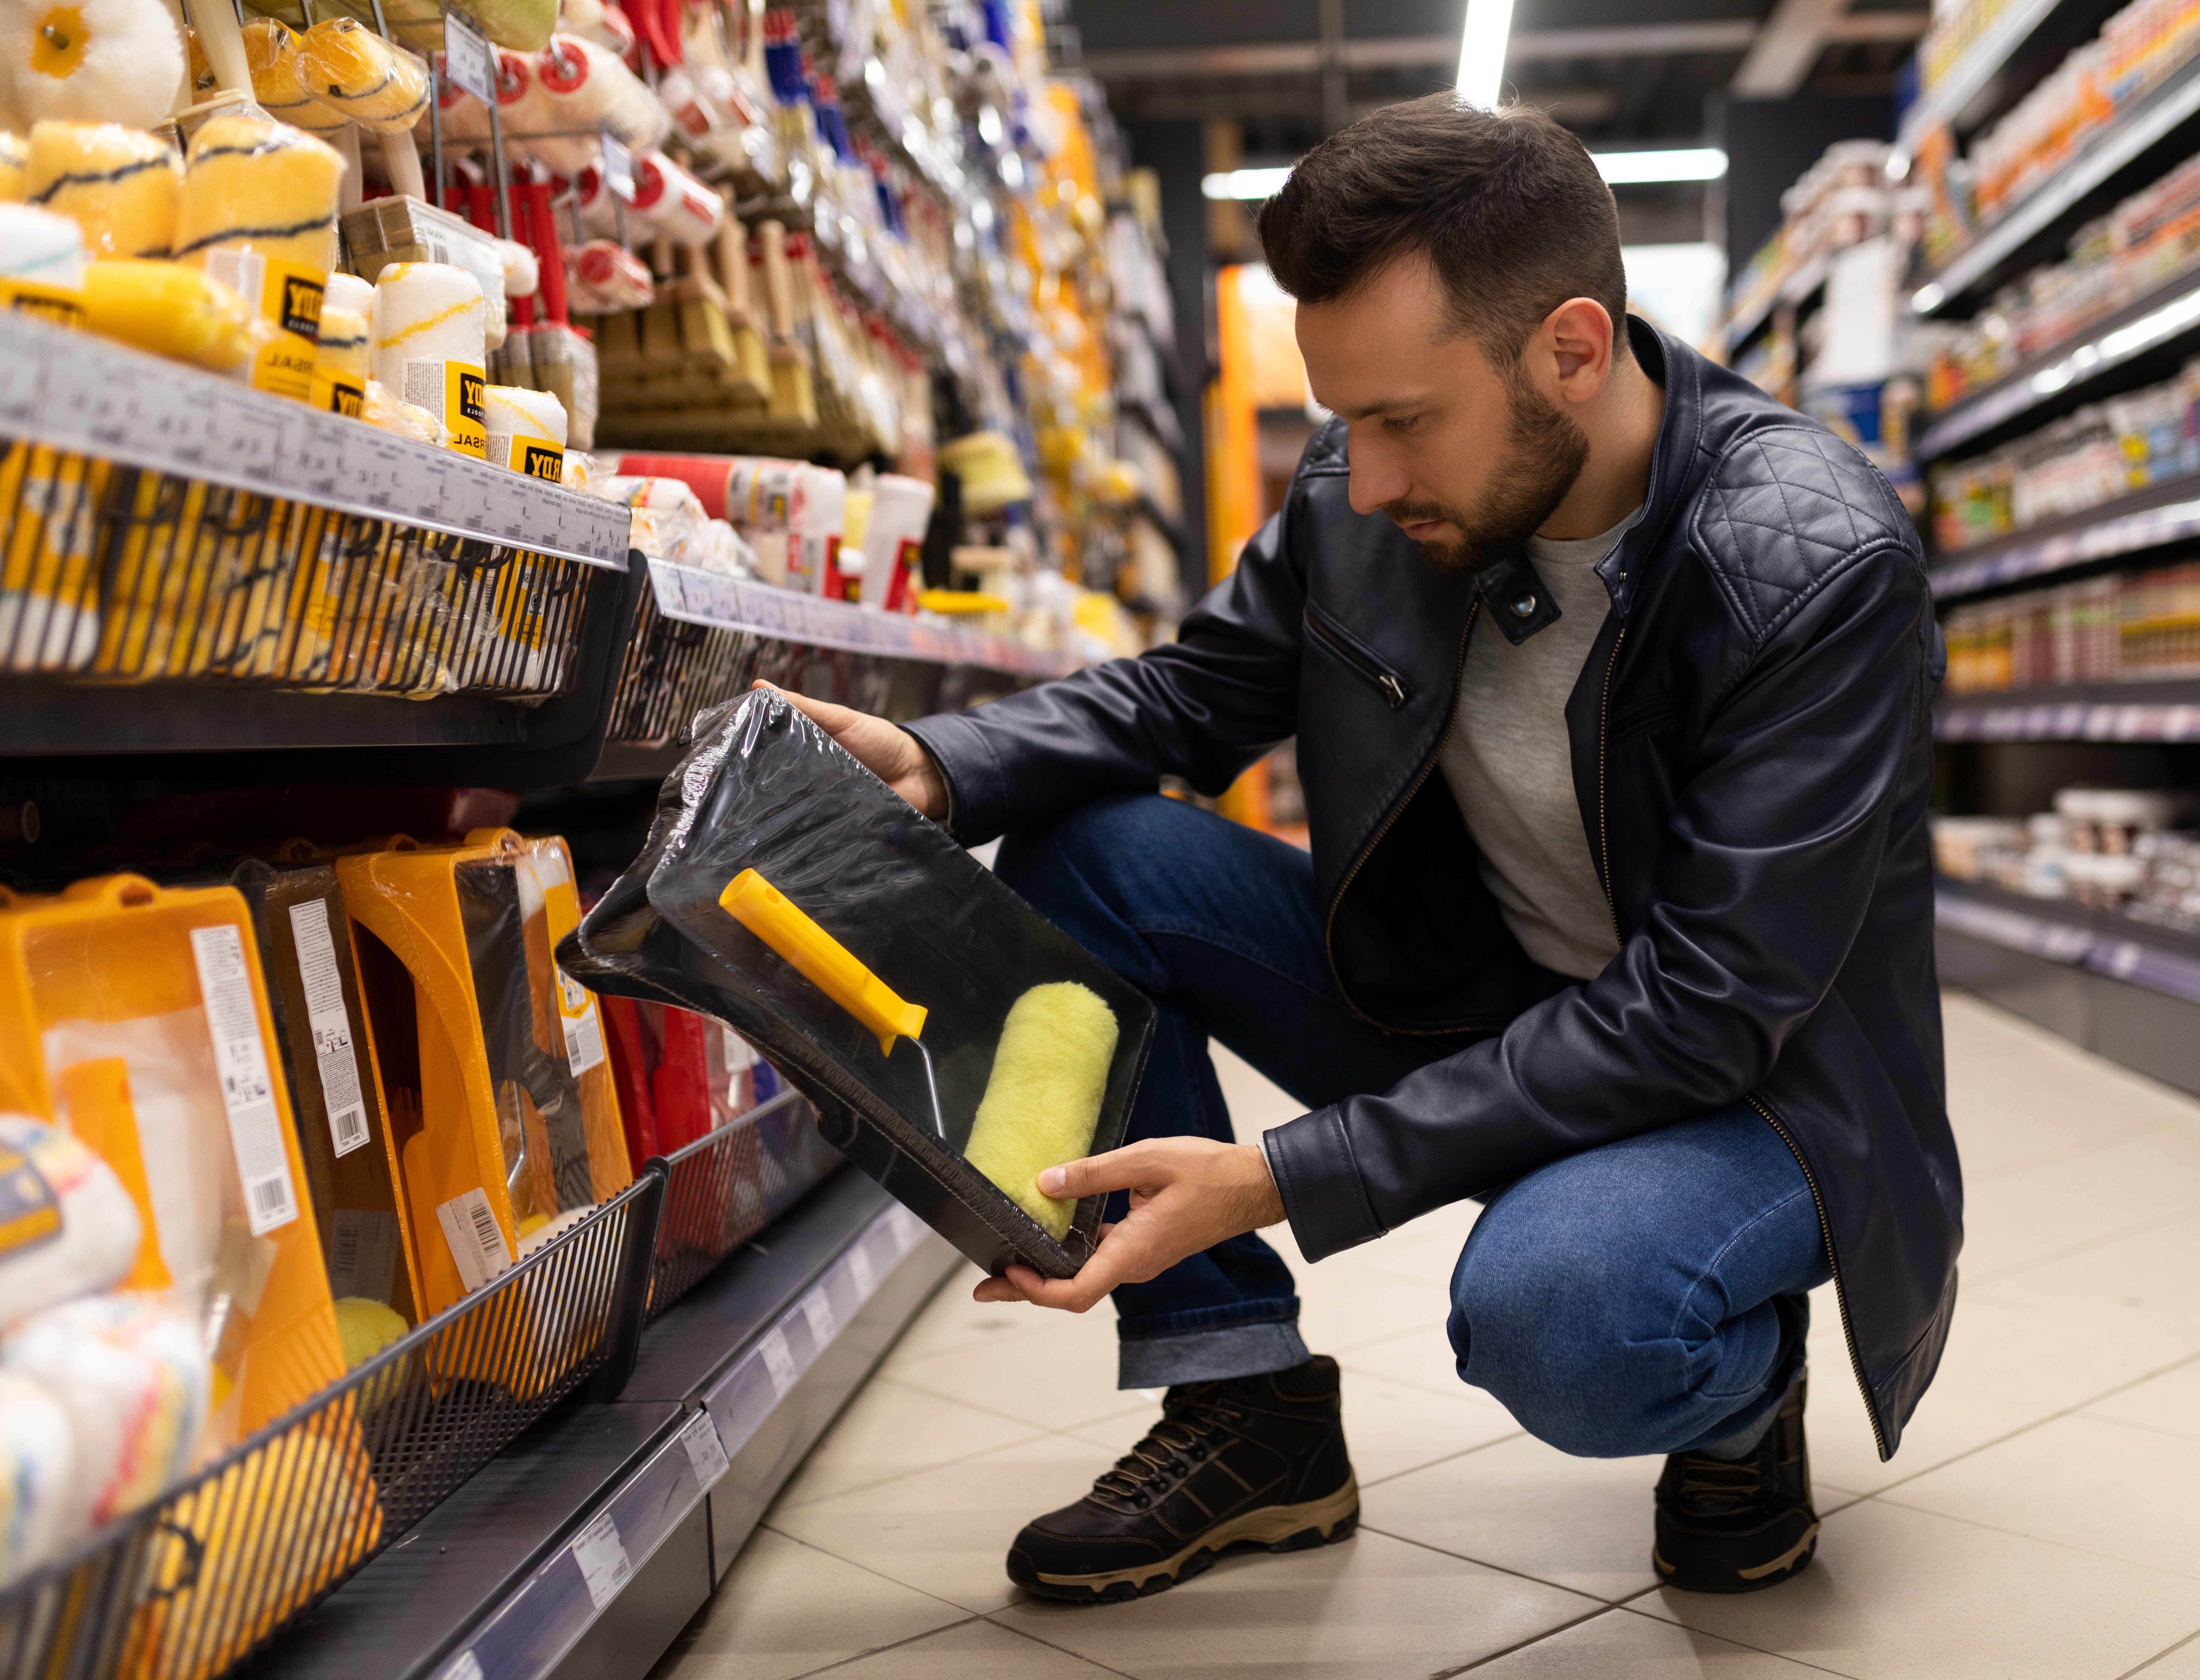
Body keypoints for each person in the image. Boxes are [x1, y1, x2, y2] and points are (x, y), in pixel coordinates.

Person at [773, 92, 1960, 1605]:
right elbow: (1196, 693)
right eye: (1348, 419)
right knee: (1092, 852)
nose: (1368, 476)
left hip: (1756, 1087)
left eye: (1406, 418)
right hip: (1488, 998)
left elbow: (1708, 1009)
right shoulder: (1363, 501)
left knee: (1558, 1318)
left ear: (1574, 351)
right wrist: (943, 763)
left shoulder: (1811, 560)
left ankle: (1739, 1393)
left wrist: (1277, 1172)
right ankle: (1247, 1402)